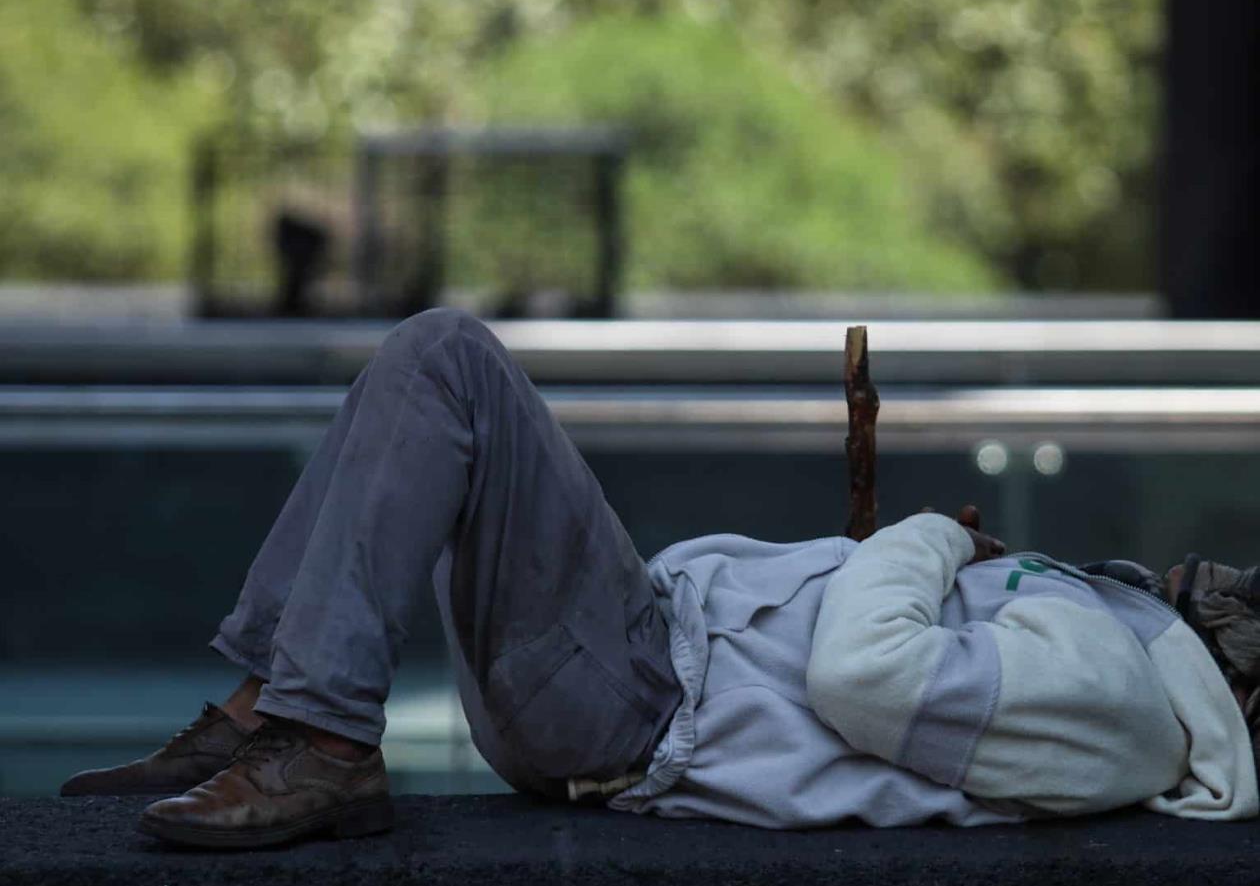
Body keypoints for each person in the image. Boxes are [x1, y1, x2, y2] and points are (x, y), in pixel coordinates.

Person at [59, 309, 1260, 847]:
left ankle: (321, 738)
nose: (1210, 573)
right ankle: (270, 712)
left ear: (1231, 651)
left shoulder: (1129, 699)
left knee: (447, 358)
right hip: (637, 679)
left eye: (1233, 589)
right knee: (419, 378)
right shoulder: (1116, 661)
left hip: (639, 705)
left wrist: (934, 538)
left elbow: (868, 675)